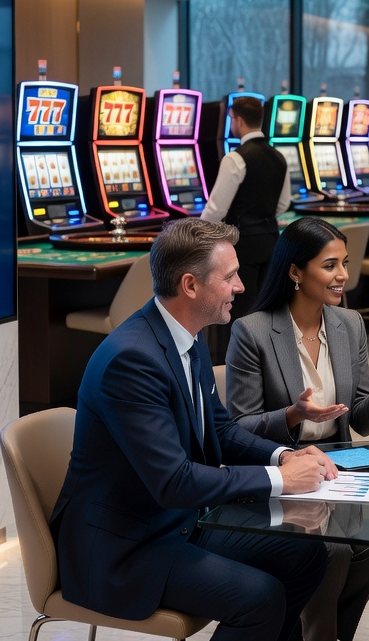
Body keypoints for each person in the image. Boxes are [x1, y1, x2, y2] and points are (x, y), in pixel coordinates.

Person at [51, 218, 334, 641]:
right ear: (190, 286)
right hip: (125, 547)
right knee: (260, 597)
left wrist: (283, 456)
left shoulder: (188, 333)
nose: (241, 286)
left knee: (307, 555)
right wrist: (280, 479)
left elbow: (218, 428)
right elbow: (173, 482)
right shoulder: (131, 361)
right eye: (230, 276)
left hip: (175, 523)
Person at [226, 216, 369, 641]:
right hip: (281, 473)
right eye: (330, 265)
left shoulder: (349, 325)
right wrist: (293, 415)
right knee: (334, 551)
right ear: (295, 271)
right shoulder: (251, 331)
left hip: (337, 471)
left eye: (345, 262)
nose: (343, 274)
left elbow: (359, 420)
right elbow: (237, 430)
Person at [201, 95, 292, 319]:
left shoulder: (235, 159)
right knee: (266, 308)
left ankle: (240, 354)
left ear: (238, 120)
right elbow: (283, 203)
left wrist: (196, 232)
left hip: (242, 244)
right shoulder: (279, 157)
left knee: (242, 310)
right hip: (271, 240)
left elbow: (216, 210)